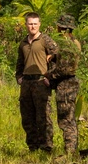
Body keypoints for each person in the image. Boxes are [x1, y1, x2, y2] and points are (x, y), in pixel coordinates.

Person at [15, 12, 58, 152]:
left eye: (35, 23)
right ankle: (33, 147)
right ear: (26, 25)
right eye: (30, 24)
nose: (32, 26)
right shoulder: (23, 43)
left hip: (41, 82)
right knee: (27, 116)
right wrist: (19, 77)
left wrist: (50, 77)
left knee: (44, 116)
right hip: (27, 83)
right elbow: (20, 62)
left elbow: (57, 58)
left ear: (39, 24)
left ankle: (46, 147)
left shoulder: (46, 40)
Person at [48, 14, 82, 157]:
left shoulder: (67, 43)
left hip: (66, 84)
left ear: (62, 28)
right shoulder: (74, 42)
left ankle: (70, 151)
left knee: (66, 119)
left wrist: (48, 76)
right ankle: (71, 149)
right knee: (69, 118)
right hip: (69, 83)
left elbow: (65, 68)